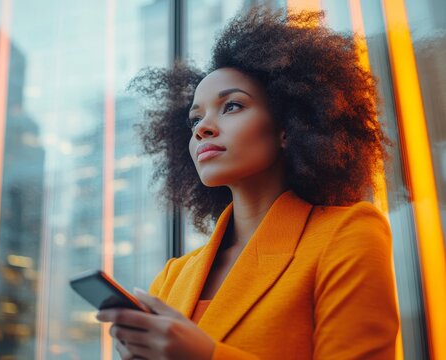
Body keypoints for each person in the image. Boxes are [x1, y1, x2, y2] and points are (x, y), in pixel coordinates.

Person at [96, 6, 399, 360]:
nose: (203, 129)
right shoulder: (173, 277)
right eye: (195, 119)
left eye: (232, 106)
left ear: (288, 127)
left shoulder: (348, 235)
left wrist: (204, 355)